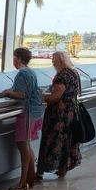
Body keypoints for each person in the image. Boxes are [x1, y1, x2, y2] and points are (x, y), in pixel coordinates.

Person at [2, 47, 45, 190]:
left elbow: (22, 94)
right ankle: (30, 178)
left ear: (17, 58)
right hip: (35, 111)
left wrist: (8, 93)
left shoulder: (23, 73)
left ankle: (23, 181)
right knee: (26, 145)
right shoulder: (30, 72)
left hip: (28, 112)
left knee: (23, 145)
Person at [36, 51, 81, 180]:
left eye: (53, 60)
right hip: (71, 111)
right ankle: (63, 168)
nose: (52, 62)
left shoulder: (62, 76)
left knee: (53, 139)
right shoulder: (74, 73)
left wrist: (41, 97)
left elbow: (55, 97)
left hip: (59, 114)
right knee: (67, 139)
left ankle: (42, 170)